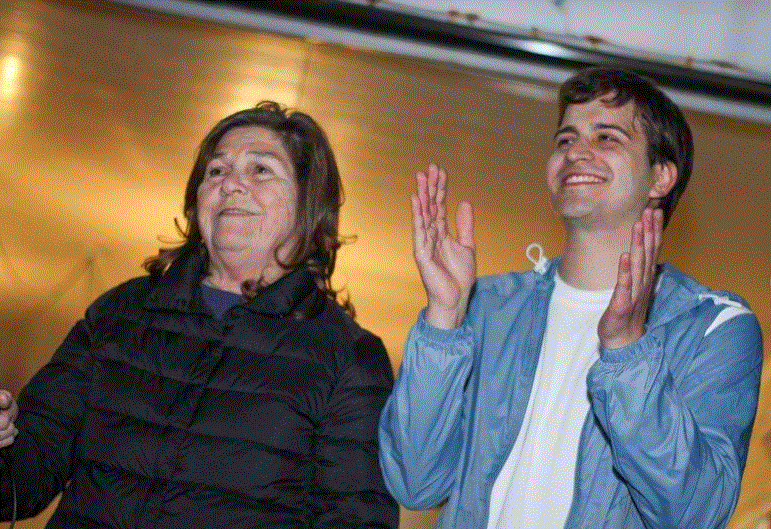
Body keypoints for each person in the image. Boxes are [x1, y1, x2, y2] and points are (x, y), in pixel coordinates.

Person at [378, 67, 763, 529]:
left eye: (607, 137)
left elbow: (693, 514)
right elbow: (414, 483)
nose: (575, 152)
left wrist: (628, 350)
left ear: (660, 178)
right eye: (565, 139)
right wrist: (444, 317)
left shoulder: (713, 326)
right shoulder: (485, 306)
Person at [0, 101, 398, 528]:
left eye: (261, 170)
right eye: (216, 171)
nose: (232, 184)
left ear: (308, 205)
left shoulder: (348, 357)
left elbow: (356, 518)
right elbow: (27, 474)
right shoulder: (122, 313)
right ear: (195, 205)